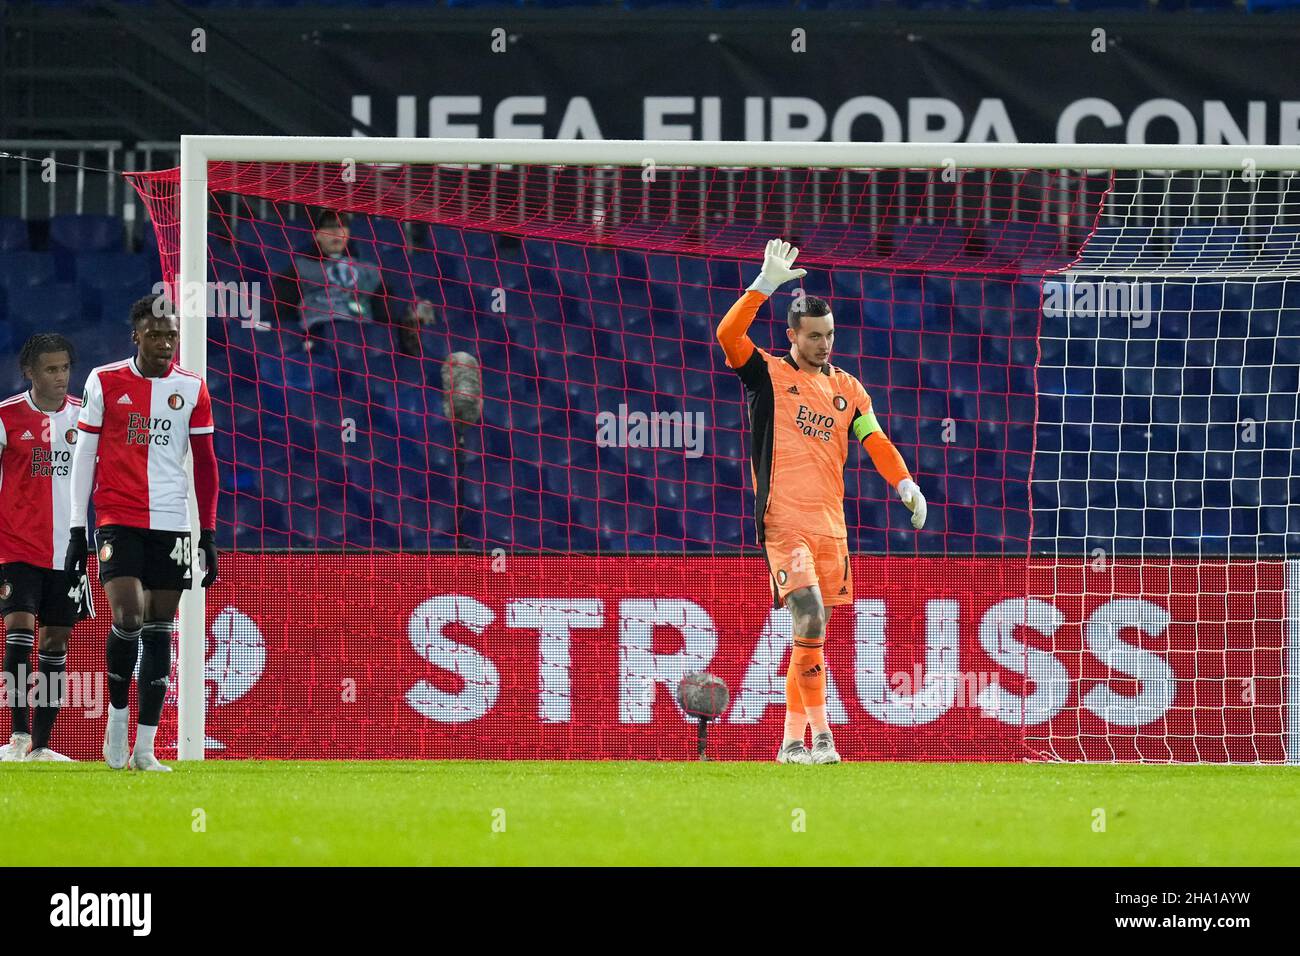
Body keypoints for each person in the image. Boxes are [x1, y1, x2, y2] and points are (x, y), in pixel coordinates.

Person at [716, 239, 929, 766]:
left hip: (831, 528)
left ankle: (791, 741)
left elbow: (875, 440)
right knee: (807, 614)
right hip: (783, 523)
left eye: (830, 335)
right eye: (814, 337)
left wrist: (904, 483)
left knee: (811, 632)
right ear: (792, 336)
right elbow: (727, 336)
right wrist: (763, 285)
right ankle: (824, 734)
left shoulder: (850, 390)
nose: (824, 345)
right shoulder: (765, 374)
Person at [65, 295, 219, 772]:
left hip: (171, 521)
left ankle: (146, 749)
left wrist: (207, 532)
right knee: (128, 616)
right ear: (136, 336)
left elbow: (207, 466)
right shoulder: (105, 381)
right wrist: (77, 526)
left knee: (160, 628)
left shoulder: (192, 388)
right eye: (155, 335)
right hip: (117, 516)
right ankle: (116, 718)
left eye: (171, 335)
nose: (165, 343)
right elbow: (84, 456)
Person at [0, 333, 82, 761]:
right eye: (51, 369)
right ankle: (16, 736)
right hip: (15, 547)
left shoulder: (86, 420)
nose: (60, 377)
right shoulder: (6, 417)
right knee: (18, 632)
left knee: (54, 644)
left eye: (65, 368)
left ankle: (42, 746)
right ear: (29, 372)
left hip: (67, 552)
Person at [270, 209, 437, 354]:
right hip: (321, 333)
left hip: (362, 337)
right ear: (317, 235)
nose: (336, 233)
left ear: (348, 233)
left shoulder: (369, 270)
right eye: (329, 228)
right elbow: (283, 311)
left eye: (341, 227)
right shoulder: (300, 268)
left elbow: (383, 313)